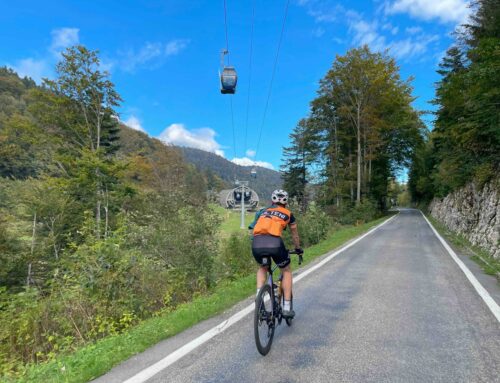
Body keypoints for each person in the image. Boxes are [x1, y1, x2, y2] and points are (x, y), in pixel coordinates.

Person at [249, 189, 303, 318]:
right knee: (286, 270)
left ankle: (259, 297)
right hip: (275, 243)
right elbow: (295, 235)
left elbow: (252, 229)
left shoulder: (263, 211)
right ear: (286, 201)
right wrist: (298, 249)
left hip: (257, 243)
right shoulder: (288, 214)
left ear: (272, 200)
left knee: (263, 267)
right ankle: (286, 307)